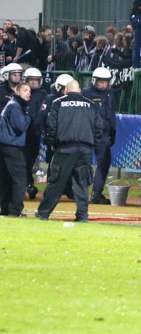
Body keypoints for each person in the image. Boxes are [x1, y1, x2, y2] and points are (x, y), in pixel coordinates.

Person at [35, 80, 99, 222]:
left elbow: (51, 126)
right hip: (85, 149)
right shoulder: (91, 105)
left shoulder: (58, 103)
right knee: (81, 184)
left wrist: (52, 143)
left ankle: (43, 213)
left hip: (64, 148)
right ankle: (82, 216)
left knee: (56, 182)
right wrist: (91, 144)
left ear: (65, 90)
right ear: (80, 90)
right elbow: (98, 128)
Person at [82, 67, 116, 205]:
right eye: (101, 82)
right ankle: (82, 192)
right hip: (89, 134)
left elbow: (112, 114)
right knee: (84, 163)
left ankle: (97, 193)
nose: (104, 85)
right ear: (94, 81)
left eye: (106, 82)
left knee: (104, 163)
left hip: (104, 134)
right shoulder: (86, 93)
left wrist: (113, 131)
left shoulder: (110, 94)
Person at [0, 82, 31, 216]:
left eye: (29, 91)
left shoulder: (11, 105)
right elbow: (20, 126)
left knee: (6, 180)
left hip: (5, 147)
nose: (28, 93)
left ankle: (6, 209)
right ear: (17, 92)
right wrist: (28, 116)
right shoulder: (15, 106)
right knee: (19, 179)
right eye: (25, 90)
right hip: (12, 147)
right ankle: (15, 210)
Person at [22, 67, 46, 200]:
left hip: (35, 133)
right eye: (32, 80)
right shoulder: (24, 93)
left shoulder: (43, 95)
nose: (35, 83)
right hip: (23, 132)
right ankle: (28, 183)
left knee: (31, 159)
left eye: (37, 80)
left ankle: (28, 183)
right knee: (24, 160)